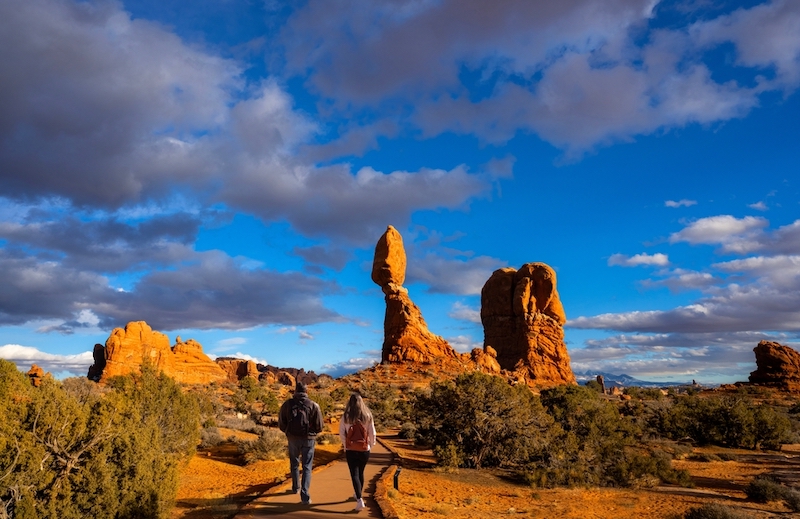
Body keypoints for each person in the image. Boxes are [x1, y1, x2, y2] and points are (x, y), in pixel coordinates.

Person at [278, 381, 324, 504]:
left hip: (292, 438)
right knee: (307, 467)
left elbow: (281, 423)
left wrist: (288, 432)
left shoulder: (287, 404)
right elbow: (320, 426)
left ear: (295, 391)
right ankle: (305, 496)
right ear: (306, 391)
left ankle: (295, 488)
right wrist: (312, 433)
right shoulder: (314, 405)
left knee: (294, 463)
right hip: (309, 439)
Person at [338, 393, 377, 512]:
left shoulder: (346, 416)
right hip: (364, 449)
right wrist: (370, 445)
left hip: (351, 450)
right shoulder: (367, 415)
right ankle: (358, 493)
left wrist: (346, 446)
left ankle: (359, 499)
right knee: (360, 472)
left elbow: (342, 433)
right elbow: (372, 433)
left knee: (354, 473)